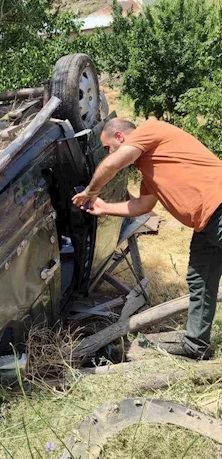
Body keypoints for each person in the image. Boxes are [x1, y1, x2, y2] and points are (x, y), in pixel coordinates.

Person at [72, 118, 222, 360]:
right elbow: (142, 205)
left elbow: (113, 164)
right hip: (204, 224)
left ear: (120, 137)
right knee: (200, 280)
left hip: (219, 207)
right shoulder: (150, 167)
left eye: (107, 146)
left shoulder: (152, 130)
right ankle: (197, 346)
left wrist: (90, 192)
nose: (107, 152)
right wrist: (104, 208)